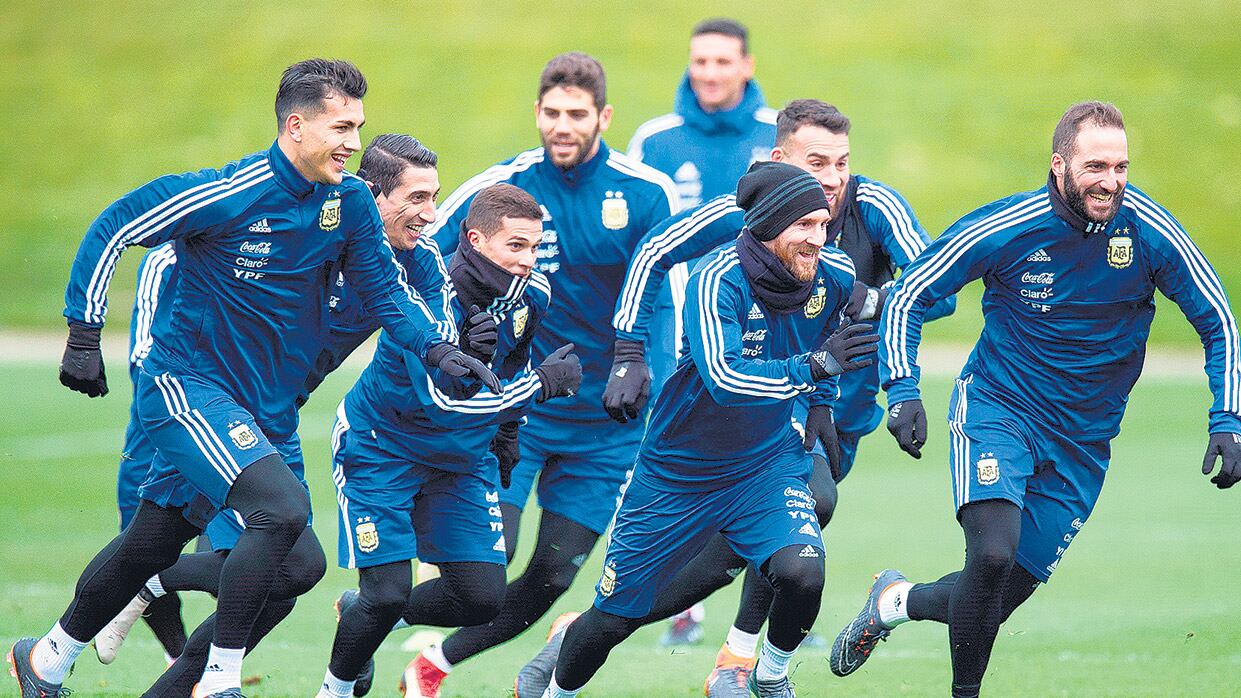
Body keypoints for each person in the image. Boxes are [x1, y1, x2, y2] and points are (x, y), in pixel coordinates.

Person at [8, 59, 498, 698]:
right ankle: (219, 681)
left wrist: (435, 350)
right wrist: (83, 329)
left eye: (359, 126)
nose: (354, 142)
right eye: (341, 126)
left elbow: (384, 292)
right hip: (189, 390)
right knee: (281, 510)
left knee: (276, 564)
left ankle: (46, 660)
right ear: (296, 126)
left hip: (267, 413)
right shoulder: (228, 192)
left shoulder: (347, 203)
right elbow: (117, 224)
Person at [829, 101, 1241, 698]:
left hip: (1085, 442)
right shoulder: (1007, 227)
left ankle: (895, 602)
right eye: (1096, 165)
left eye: (1121, 166)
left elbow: (1219, 321)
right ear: (1059, 166)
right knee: (992, 556)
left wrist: (1229, 419)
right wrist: (904, 388)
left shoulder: (1148, 230)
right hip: (1000, 410)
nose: (1111, 181)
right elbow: (911, 291)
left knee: (994, 596)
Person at [93, 133, 474, 698]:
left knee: (288, 571)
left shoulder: (407, 267)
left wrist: (475, 350)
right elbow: (167, 260)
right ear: (371, 195)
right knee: (257, 554)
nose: (430, 215)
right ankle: (155, 643)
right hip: (207, 400)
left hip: (272, 420)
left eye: (434, 197)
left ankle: (150, 610)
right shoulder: (305, 226)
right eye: (416, 199)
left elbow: (436, 332)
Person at [598, 98, 955, 697]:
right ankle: (745, 664)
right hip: (767, 398)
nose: (834, 178)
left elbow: (935, 291)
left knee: (742, 549)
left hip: (843, 405)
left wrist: (889, 360)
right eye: (818, 162)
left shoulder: (877, 207)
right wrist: (629, 353)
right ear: (778, 160)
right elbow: (654, 253)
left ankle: (602, 626)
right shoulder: (743, 215)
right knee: (810, 504)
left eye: (843, 161)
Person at [536, 161, 879, 698]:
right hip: (677, 474)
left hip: (765, 465)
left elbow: (834, 333)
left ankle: (768, 677)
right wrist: (815, 369)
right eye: (804, 226)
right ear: (767, 229)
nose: (819, 237)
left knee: (803, 572)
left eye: (822, 224)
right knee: (612, 619)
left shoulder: (832, 275)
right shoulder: (716, 279)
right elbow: (724, 377)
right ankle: (556, 690)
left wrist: (821, 403)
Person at [396, 52, 679, 698]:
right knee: (483, 566)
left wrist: (647, 372)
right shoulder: (502, 189)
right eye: (551, 113)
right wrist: (454, 334)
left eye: (576, 114)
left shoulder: (645, 192)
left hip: (606, 426)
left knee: (551, 580)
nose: (562, 125)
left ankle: (434, 662)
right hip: (513, 411)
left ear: (602, 117)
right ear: (536, 113)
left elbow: (668, 294)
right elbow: (420, 258)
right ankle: (378, 607)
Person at [317, 184, 583, 698]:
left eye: (534, 247)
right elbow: (445, 402)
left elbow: (515, 362)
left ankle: (364, 614)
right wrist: (543, 388)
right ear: (476, 239)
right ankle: (335, 688)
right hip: (383, 447)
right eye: (515, 246)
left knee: (482, 598)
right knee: (388, 591)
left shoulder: (534, 295)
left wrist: (509, 432)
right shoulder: (427, 289)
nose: (528, 261)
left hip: (461, 458)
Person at [627, 17, 777, 405]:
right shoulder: (655, 140)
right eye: (700, 62)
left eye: (722, 62)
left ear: (748, 66)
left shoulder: (778, 133)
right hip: (675, 313)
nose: (709, 74)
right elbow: (636, 241)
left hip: (761, 307)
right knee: (673, 418)